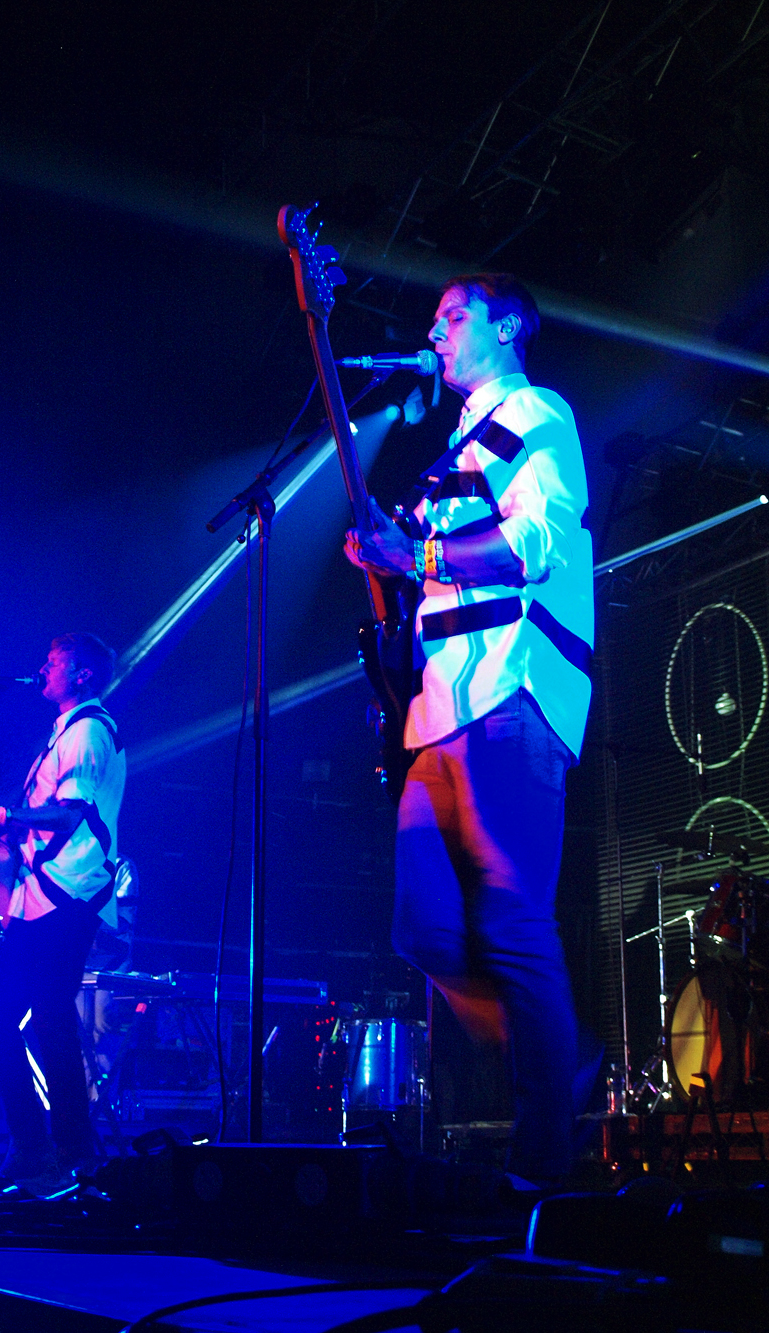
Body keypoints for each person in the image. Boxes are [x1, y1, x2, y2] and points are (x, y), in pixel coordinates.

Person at [344, 274, 593, 1184]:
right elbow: (424, 562)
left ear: (508, 325)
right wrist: (386, 546)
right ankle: (559, 1056)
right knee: (423, 927)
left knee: (516, 925)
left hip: (510, 695)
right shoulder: (455, 449)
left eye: (455, 315)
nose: (436, 329)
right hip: (442, 710)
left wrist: (415, 552)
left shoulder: (534, 410)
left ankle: (544, 1161)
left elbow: (535, 545)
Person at [0, 632, 126, 1193]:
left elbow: (69, 814)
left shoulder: (88, 733)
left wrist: (0, 813)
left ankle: (67, 1152)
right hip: (41, 898)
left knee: (45, 1014)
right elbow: (20, 820)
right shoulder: (62, 735)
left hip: (68, 896)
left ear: (82, 675)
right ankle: (40, 1149)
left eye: (54, 662)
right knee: (13, 1018)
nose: (42, 669)